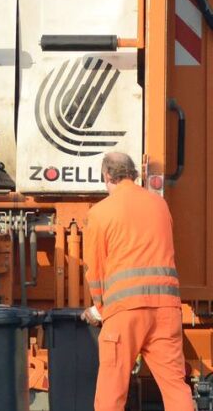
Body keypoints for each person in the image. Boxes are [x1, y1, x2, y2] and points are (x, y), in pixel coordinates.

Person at [81, 152, 193, 411]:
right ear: (133, 174)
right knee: (176, 388)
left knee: (112, 390)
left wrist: (99, 308)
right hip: (166, 309)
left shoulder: (100, 213)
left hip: (124, 314)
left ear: (107, 176)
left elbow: (94, 269)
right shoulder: (160, 205)